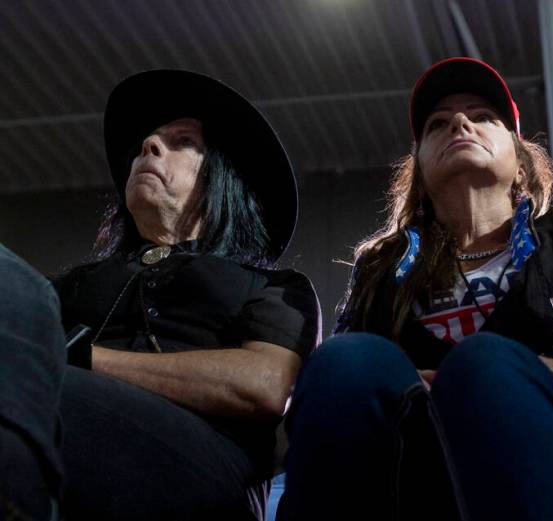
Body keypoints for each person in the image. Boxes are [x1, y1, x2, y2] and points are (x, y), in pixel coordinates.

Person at [278, 57, 553, 520]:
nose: (460, 123)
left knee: (483, 362)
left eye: (483, 116)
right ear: (421, 172)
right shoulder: (380, 268)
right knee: (342, 361)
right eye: (438, 124)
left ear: (520, 159)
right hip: (426, 465)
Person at [0, 70, 320, 520]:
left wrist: (83, 360)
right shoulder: (70, 285)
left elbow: (264, 387)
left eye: (181, 141)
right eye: (146, 142)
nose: (149, 146)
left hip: (204, 469)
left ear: (224, 179)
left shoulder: (275, 288)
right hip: (69, 436)